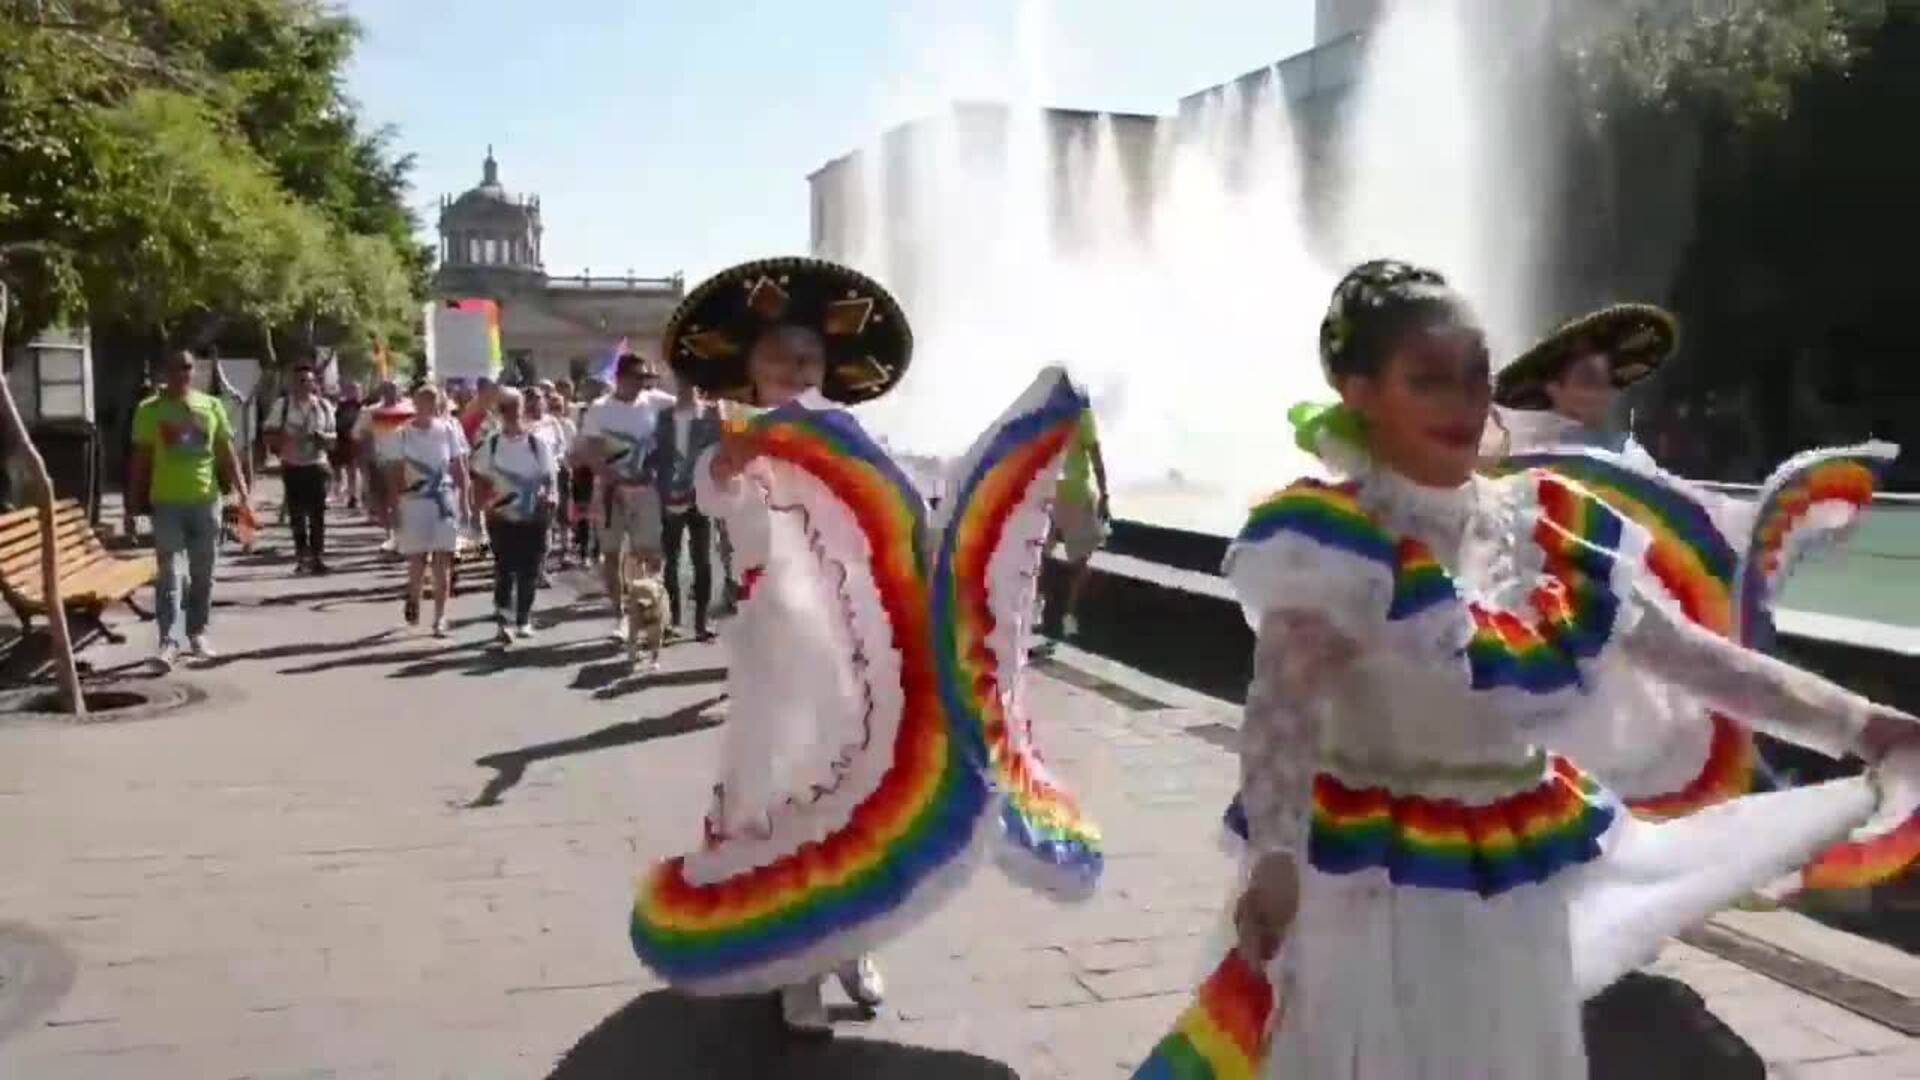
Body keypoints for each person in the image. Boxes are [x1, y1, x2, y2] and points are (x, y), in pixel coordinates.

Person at [1173, 260, 1920, 1079]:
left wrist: (1861, 723)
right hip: (1368, 890)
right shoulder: (1334, 544)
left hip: (1513, 888)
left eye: (1474, 376)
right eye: (1429, 381)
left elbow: (1694, 660)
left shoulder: (1544, 525)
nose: (1463, 404)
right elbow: (1280, 711)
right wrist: (1276, 852)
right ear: (1355, 388)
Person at [629, 256, 1106, 1038]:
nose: (794, 368)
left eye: (808, 358)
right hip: (778, 661)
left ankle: (851, 945)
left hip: (863, 662)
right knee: (778, 799)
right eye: (778, 356)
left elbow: (918, 516)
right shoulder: (736, 437)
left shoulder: (854, 439)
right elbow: (712, 491)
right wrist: (744, 456)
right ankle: (794, 969)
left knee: (863, 796)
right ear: (748, 368)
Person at [129, 350, 251, 670]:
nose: (182, 373)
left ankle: (197, 632)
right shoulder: (149, 411)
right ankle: (168, 641)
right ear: (164, 371)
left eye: (187, 367)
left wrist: (242, 491)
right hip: (166, 502)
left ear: (193, 371)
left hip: (206, 501)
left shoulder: (210, 406)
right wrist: (132, 504)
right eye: (175, 367)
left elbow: (226, 453)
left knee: (203, 572)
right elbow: (141, 460)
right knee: (169, 573)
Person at [579, 353, 675, 638]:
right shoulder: (599, 409)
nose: (642, 383)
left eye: (646, 378)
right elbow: (592, 452)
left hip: (645, 489)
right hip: (610, 491)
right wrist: (614, 480)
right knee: (611, 554)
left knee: (650, 553)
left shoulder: (656, 401)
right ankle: (620, 615)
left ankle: (652, 610)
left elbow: (689, 404)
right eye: (637, 377)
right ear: (620, 378)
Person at [470, 387, 556, 645]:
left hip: (533, 516)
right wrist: (477, 512)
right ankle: (503, 623)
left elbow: (549, 477)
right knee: (505, 569)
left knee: (529, 569)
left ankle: (523, 619)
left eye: (515, 408)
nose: (511, 414)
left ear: (522, 410)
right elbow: (480, 480)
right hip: (500, 516)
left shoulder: (537, 443)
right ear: (499, 411)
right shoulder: (492, 444)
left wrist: (551, 497)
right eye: (505, 409)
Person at [385, 383, 470, 637]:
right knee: (418, 560)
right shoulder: (401, 434)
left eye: (434, 401)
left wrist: (465, 502)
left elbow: (459, 468)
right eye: (424, 400)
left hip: (443, 500)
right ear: (415, 403)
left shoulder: (448, 429)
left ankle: (440, 617)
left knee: (443, 561)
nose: (429, 405)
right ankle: (413, 596)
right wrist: (394, 507)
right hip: (414, 501)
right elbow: (394, 473)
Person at [648, 376, 723, 641]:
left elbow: (720, 451)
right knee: (672, 559)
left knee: (702, 559)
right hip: (670, 495)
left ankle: (702, 622)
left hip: (701, 494)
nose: (685, 387)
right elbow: (656, 452)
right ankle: (673, 620)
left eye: (689, 382)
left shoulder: (711, 414)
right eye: (681, 382)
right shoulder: (664, 417)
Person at [1045, 401, 1109, 641]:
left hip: (1050, 495)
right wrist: (1104, 493)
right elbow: (1096, 457)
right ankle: (1068, 616)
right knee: (1082, 562)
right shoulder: (1082, 415)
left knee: (1041, 553)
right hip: (1075, 496)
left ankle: (1039, 605)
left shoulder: (1049, 414)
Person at [264, 363, 336, 575]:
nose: (304, 385)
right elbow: (268, 433)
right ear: (292, 383)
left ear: (314, 383)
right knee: (297, 515)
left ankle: (317, 556)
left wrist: (322, 438)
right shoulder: (282, 405)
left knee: (317, 514)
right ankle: (301, 555)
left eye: (308, 381)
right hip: (292, 464)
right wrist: (284, 439)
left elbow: (334, 440)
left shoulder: (323, 406)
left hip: (317, 464)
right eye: (300, 381)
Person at [332, 380, 364, 510]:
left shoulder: (364, 406)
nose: (354, 393)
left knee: (355, 471)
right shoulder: (341, 406)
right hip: (343, 442)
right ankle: (347, 494)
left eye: (356, 390)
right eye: (351, 390)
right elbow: (335, 422)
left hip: (360, 443)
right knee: (344, 470)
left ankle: (354, 496)